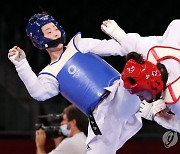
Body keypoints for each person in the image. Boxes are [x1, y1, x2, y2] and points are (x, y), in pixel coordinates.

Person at [8, 12, 143, 154]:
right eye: (49, 31)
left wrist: (118, 34)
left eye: (55, 28)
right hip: (101, 117)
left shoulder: (78, 44)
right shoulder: (50, 74)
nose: (55, 32)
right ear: (39, 39)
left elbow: (116, 48)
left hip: (120, 92)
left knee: (139, 72)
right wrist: (21, 65)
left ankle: (152, 107)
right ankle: (151, 108)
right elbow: (39, 93)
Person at [101, 19, 180, 132]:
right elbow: (127, 40)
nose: (140, 98)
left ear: (152, 86)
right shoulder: (149, 51)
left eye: (140, 94)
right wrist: (115, 31)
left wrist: (161, 118)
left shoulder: (177, 100)